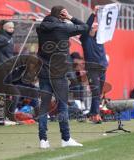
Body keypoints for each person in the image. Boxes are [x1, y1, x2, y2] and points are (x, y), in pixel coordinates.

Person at [36, 6, 88, 148]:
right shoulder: (63, 28)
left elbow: (47, 23)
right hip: (58, 74)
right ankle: (65, 139)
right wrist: (70, 18)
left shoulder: (40, 28)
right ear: (61, 14)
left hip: (44, 73)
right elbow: (85, 27)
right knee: (62, 106)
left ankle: (43, 140)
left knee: (44, 106)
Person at [80, 6, 108, 124]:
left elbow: (104, 26)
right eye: (92, 29)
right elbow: (87, 26)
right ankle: (95, 115)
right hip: (93, 69)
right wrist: (94, 14)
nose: (94, 30)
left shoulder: (100, 38)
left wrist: (104, 13)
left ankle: (92, 113)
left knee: (98, 93)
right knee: (96, 92)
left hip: (102, 68)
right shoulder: (85, 39)